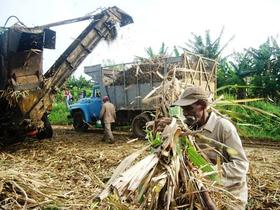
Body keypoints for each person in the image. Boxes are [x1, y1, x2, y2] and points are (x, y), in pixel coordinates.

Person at [172, 86, 249, 210]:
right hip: (203, 191)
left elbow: (241, 165)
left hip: (229, 195)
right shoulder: (189, 129)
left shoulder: (223, 128)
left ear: (202, 105)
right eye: (183, 109)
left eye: (189, 108)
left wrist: (207, 172)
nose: (185, 113)